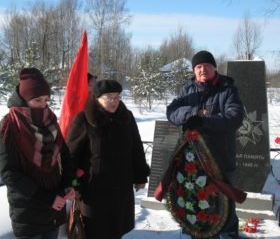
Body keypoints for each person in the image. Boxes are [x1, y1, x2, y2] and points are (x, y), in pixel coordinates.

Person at [166, 50, 244, 239]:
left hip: (220, 158)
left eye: (206, 66)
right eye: (198, 67)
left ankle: (229, 233)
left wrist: (204, 121)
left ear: (214, 67)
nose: (202, 70)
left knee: (224, 203)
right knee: (195, 199)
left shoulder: (228, 89)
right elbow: (172, 112)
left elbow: (234, 118)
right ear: (194, 70)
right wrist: (193, 112)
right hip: (193, 160)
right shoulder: (187, 89)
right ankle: (196, 232)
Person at [66, 79, 150, 239]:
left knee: (116, 228)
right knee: (95, 230)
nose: (114, 101)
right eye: (109, 97)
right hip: (94, 189)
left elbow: (137, 148)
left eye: (117, 97)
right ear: (97, 98)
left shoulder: (127, 117)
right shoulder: (84, 119)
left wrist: (140, 176)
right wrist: (72, 183)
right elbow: (71, 155)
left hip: (121, 187)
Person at [0, 68, 75, 239]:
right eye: (37, 100)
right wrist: (48, 199)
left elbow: (65, 154)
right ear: (24, 100)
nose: (43, 105)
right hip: (28, 211)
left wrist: (69, 184)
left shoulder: (50, 119)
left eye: (46, 100)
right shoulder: (9, 126)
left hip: (54, 207)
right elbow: (9, 173)